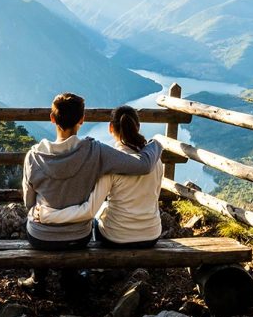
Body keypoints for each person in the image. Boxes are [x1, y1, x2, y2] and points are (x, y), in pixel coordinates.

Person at [22, 93, 161, 250]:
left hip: (41, 236)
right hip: (78, 237)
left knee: (29, 224)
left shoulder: (33, 156)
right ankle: (71, 273)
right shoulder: (96, 151)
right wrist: (156, 144)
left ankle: (39, 274)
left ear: (52, 118)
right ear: (82, 120)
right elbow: (142, 165)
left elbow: (29, 202)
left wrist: (45, 214)